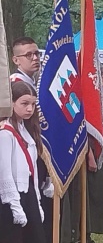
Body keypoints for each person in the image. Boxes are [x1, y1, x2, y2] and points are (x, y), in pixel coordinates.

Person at [0, 81, 46, 243]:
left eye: (33, 104)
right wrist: (14, 205)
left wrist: (37, 201)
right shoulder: (5, 133)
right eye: (24, 103)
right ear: (11, 103)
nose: (29, 109)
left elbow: (31, 168)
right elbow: (4, 173)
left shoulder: (25, 129)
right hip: (11, 197)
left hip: (28, 193)